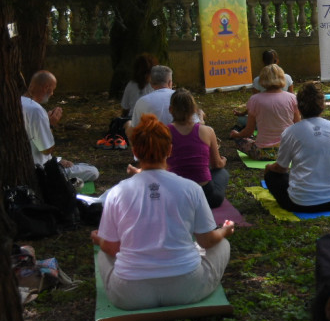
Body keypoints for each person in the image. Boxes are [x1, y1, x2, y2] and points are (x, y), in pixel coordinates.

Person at [91, 114, 235, 310]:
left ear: (134, 151)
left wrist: (99, 239)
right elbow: (207, 241)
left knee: (102, 253)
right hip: (187, 287)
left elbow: (111, 248)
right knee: (222, 244)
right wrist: (224, 231)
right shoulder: (190, 188)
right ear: (169, 150)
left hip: (129, 294)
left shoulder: (117, 192)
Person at [264, 82, 330, 213]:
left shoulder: (290, 132)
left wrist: (269, 168)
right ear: (323, 105)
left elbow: (281, 169)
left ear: (298, 107)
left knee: (271, 176)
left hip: (302, 204)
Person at [21, 70, 99, 185]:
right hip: (40, 170)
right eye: (52, 89)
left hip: (30, 163)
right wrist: (51, 124)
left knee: (77, 166)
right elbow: (46, 149)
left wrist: (58, 160)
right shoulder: (36, 110)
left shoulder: (19, 101)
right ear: (46, 87)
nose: (52, 93)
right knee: (93, 171)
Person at [166, 89, 229, 209]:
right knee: (222, 172)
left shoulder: (163, 132)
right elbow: (217, 164)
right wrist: (224, 161)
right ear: (194, 110)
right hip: (206, 196)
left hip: (176, 196)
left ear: (171, 109)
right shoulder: (207, 131)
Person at [231, 65, 300, 159]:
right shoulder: (292, 98)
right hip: (288, 151)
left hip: (262, 152)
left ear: (262, 79)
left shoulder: (255, 100)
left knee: (240, 140)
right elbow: (299, 126)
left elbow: (249, 131)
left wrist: (237, 134)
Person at [129, 65, 201, 137]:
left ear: (151, 84)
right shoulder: (182, 97)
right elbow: (195, 124)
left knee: (128, 124)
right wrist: (200, 116)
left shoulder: (141, 101)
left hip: (155, 144)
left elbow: (135, 128)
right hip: (182, 139)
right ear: (170, 82)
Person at [120, 52, 157, 118]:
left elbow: (125, 108)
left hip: (135, 120)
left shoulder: (131, 85)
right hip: (150, 121)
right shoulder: (156, 85)